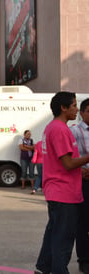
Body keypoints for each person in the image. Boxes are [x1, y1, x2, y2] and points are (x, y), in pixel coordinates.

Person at [35, 92, 89, 274]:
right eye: (73, 105)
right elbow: (67, 163)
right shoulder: (59, 129)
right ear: (63, 108)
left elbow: (62, 163)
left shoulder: (54, 127)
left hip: (59, 190)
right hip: (63, 192)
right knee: (63, 238)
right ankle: (58, 270)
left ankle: (43, 267)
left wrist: (80, 169)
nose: (76, 109)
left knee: (53, 232)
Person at [70, 98, 89, 274]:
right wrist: (81, 170)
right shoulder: (74, 132)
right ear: (82, 113)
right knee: (83, 223)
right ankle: (84, 259)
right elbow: (69, 158)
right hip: (84, 182)